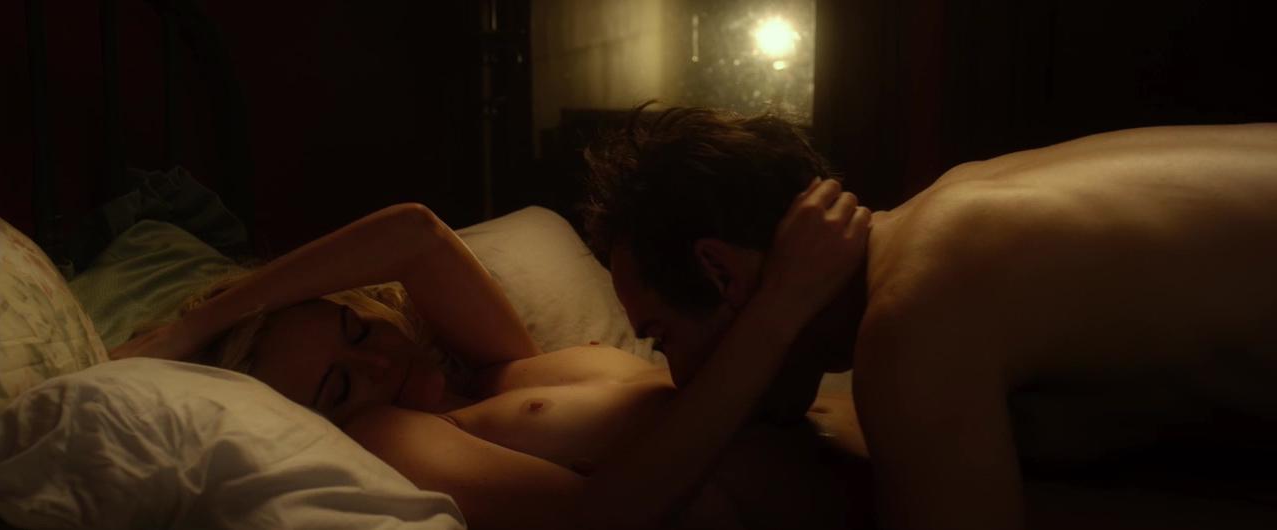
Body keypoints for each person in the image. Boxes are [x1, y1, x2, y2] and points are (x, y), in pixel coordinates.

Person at [581, 105, 1277, 530]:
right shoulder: (940, 217)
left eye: (662, 337)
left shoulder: (913, 316)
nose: (677, 377)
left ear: (720, 272)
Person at [110, 201, 874, 530]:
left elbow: (414, 235)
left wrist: (198, 322)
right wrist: (777, 312)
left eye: (355, 327)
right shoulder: (387, 434)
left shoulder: (494, 369)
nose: (378, 360)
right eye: (341, 384)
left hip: (870, 440)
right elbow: (596, 519)